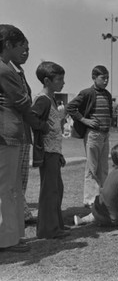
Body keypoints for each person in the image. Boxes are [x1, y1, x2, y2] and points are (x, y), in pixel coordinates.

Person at [0, 25, 47, 253]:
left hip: (11, 134)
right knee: (7, 188)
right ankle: (6, 240)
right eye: (21, 46)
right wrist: (39, 123)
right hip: (7, 135)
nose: (25, 52)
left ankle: (12, 236)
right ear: (8, 45)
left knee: (12, 187)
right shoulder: (4, 70)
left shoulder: (9, 69)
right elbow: (22, 102)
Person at [31, 61, 70, 239]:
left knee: (57, 188)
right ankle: (48, 229)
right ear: (47, 81)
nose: (63, 83)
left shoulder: (52, 99)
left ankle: (56, 225)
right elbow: (31, 117)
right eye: (59, 79)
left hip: (54, 151)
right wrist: (43, 127)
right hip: (46, 152)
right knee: (49, 190)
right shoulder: (43, 99)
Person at [73, 142, 118, 235]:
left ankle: (83, 220)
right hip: (111, 219)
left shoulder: (115, 171)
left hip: (97, 211)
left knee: (113, 209)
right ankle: (102, 220)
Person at [66, 65, 113, 207]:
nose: (106, 81)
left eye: (107, 78)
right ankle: (90, 199)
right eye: (103, 78)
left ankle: (102, 197)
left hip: (105, 134)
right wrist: (84, 120)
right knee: (92, 167)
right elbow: (70, 107)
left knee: (103, 167)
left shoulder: (107, 95)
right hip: (93, 134)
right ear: (94, 78)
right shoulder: (87, 93)